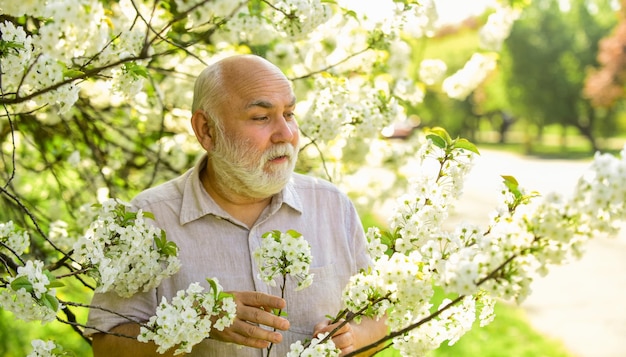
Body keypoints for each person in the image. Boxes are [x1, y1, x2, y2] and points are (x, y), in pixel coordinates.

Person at [86, 54, 387, 356]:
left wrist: (353, 340)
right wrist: (198, 321)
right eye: (261, 117)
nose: (286, 134)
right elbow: (106, 346)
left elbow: (378, 317)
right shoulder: (146, 219)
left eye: (290, 114)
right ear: (207, 130)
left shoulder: (332, 205)